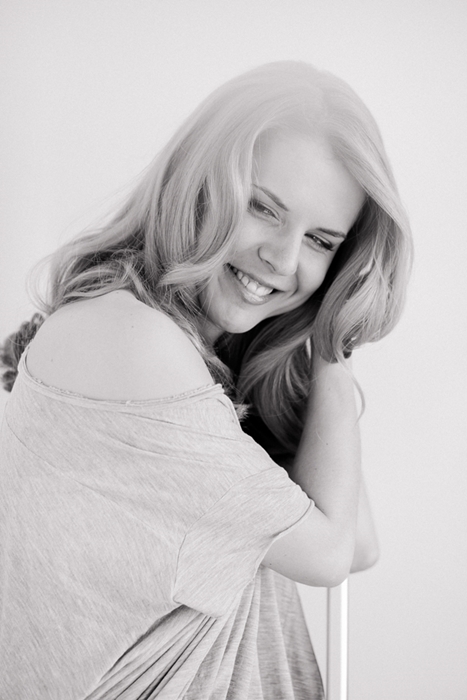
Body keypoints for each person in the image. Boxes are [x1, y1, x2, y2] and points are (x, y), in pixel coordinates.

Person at [0, 61, 412, 699]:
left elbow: (359, 543)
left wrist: (332, 329)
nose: (282, 258)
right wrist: (335, 343)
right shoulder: (131, 340)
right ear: (196, 180)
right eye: (262, 208)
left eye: (322, 242)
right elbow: (330, 553)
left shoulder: (211, 365)